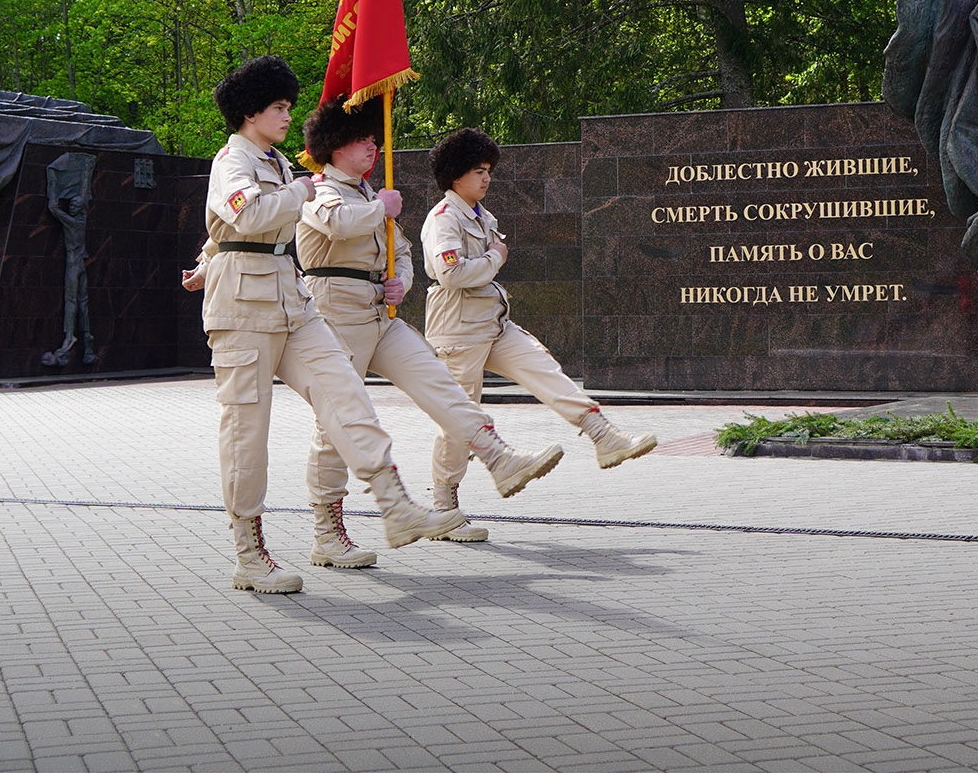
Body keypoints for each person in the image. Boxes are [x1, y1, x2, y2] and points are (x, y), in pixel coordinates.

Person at [183, 57, 463, 592]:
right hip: (242, 309)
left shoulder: (278, 162)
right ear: (250, 113)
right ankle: (249, 553)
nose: (289, 116)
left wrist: (203, 260)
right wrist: (299, 194)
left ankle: (393, 503)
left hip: (291, 299)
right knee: (247, 431)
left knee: (344, 391)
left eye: (289, 107)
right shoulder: (233, 161)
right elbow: (245, 215)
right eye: (279, 107)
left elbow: (229, 228)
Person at [296, 96, 563, 564]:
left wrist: (402, 281)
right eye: (362, 140)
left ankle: (498, 457)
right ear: (334, 145)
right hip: (336, 311)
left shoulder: (367, 193)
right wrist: (380, 208)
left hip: (379, 311)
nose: (372, 149)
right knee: (336, 421)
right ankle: (327, 531)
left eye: (375, 141)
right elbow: (337, 226)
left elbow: (398, 249)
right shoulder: (320, 190)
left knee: (440, 383)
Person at [419, 128, 657, 540]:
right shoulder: (444, 219)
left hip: (491, 321)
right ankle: (444, 507)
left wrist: (490, 259)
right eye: (479, 171)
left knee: (543, 367)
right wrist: (495, 257)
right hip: (457, 327)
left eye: (489, 170)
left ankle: (605, 437)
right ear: (456, 176)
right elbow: (451, 273)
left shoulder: (479, 215)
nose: (487, 178)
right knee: (460, 418)